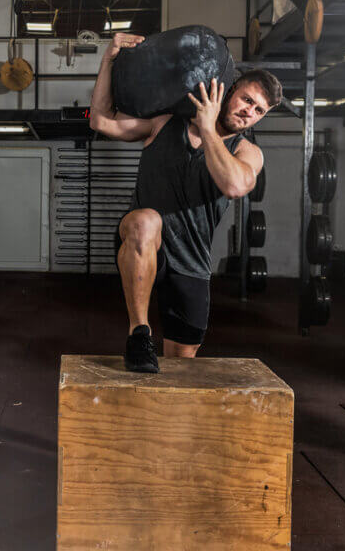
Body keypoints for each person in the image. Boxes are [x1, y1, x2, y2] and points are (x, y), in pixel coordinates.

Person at [89, 32, 282, 372]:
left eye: (258, 110)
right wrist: (108, 60)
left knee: (182, 368)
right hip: (147, 244)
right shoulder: (164, 122)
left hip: (192, 262)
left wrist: (209, 130)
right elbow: (101, 120)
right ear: (229, 88)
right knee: (144, 220)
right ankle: (139, 332)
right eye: (247, 99)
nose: (249, 111)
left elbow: (235, 186)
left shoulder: (248, 153)